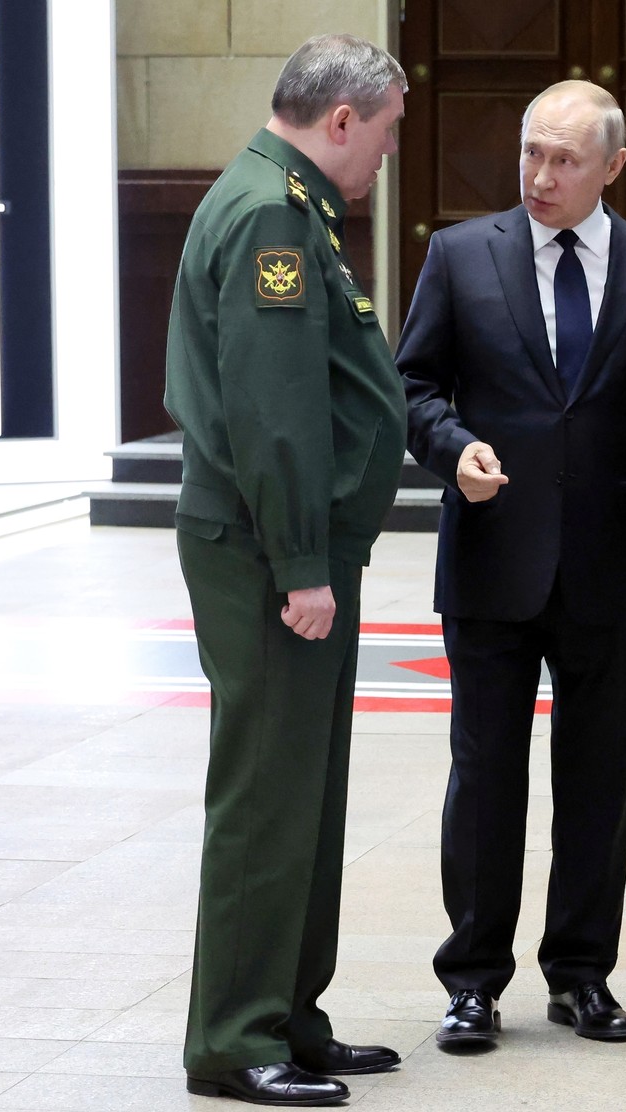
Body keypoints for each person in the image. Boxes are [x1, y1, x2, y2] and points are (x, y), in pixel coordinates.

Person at [396, 80, 626, 1051]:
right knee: (485, 773)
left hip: (608, 569)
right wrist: (452, 446)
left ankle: (581, 972)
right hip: (492, 560)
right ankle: (472, 980)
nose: (540, 175)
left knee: (596, 778)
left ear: (613, 167)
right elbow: (412, 384)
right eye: (532, 153)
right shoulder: (459, 256)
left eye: (565, 159)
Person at [163, 34, 409, 1108]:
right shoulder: (272, 212)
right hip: (269, 553)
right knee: (267, 794)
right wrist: (305, 560)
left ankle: (289, 1014)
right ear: (343, 121)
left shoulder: (291, 202)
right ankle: (233, 1036)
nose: (388, 158)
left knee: (303, 788)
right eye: (389, 133)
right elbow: (272, 411)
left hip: (288, 546)